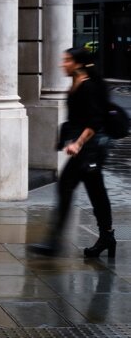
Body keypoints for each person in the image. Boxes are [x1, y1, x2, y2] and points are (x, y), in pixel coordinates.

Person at [30, 47, 116, 258]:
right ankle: (106, 237)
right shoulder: (77, 84)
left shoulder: (89, 87)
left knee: (69, 188)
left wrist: (78, 144)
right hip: (86, 151)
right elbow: (77, 118)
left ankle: (55, 242)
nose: (63, 64)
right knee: (95, 193)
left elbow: (95, 121)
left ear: (78, 64)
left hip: (90, 150)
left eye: (67, 60)